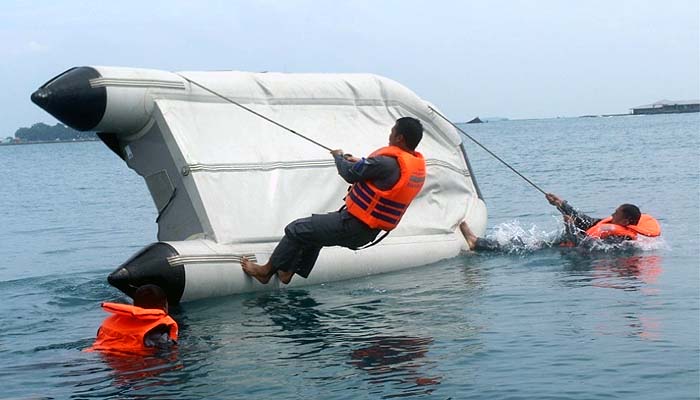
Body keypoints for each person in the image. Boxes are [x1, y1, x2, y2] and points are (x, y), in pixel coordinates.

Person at [241, 117, 426, 284]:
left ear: (400, 138)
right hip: (368, 232)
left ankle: (265, 272)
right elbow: (380, 173)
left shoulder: (385, 162)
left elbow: (349, 174)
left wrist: (338, 156)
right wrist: (358, 161)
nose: (390, 134)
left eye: (392, 131)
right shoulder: (409, 166)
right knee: (315, 235)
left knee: (296, 229)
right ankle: (287, 272)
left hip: (353, 225)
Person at [460, 192, 661, 251]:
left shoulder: (619, 241)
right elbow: (585, 221)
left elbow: (582, 245)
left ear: (625, 220)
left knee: (519, 247)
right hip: (565, 245)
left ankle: (476, 243)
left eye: (616, 213)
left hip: (572, 253)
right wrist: (559, 203)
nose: (612, 213)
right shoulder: (612, 224)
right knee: (521, 242)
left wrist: (568, 226)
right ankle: (478, 243)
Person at [87, 284, 178, 352]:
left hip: (98, 354)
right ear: (165, 306)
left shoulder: (116, 320)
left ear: (134, 305)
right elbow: (168, 350)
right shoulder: (158, 330)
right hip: (131, 363)